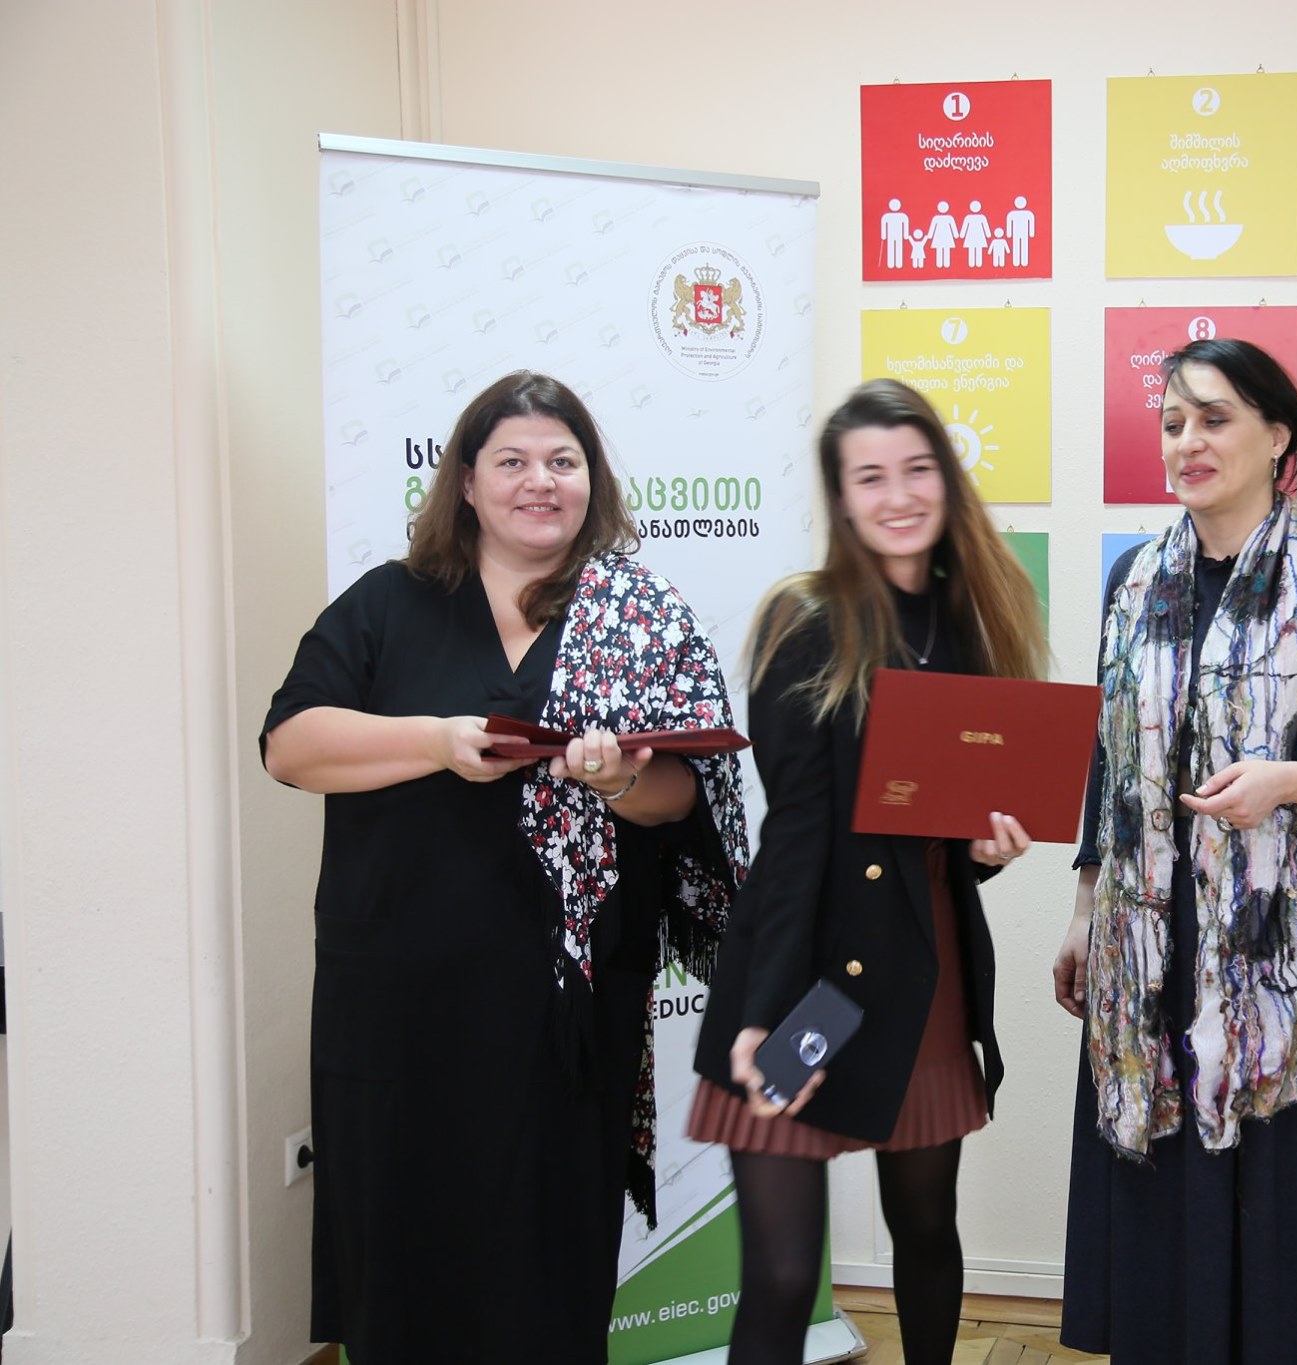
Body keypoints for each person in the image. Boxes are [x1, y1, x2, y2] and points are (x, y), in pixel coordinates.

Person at [262, 371, 748, 1364]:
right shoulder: (389, 602)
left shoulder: (641, 614)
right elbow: (290, 745)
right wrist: (435, 740)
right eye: (513, 460)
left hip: (565, 1010)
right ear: (467, 483)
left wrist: (617, 779)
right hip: (401, 999)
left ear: (591, 479)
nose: (541, 481)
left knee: (548, 1263)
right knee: (404, 1255)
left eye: (563, 460)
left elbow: (683, 799)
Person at [1054, 338, 1297, 1364]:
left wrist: (1290, 783)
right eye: (1172, 422)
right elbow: (1111, 758)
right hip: (1155, 948)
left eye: (1214, 419)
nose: (1187, 441)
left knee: (1291, 1209)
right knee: (1166, 1202)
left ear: (1277, 437)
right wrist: (1085, 909)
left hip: (1289, 957)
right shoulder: (1134, 581)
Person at [690, 378, 1049, 1365]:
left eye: (916, 469)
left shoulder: (974, 621)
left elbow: (942, 832)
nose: (898, 495)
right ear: (842, 499)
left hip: (918, 972)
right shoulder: (805, 619)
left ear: (947, 479)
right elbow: (797, 832)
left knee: (926, 1231)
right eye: (870, 477)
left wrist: (980, 852)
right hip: (806, 979)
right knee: (779, 1272)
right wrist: (763, 1015)